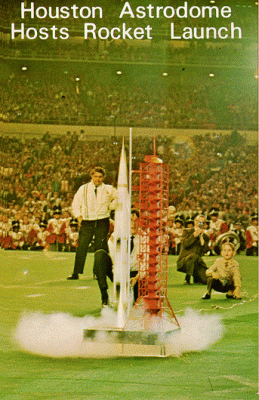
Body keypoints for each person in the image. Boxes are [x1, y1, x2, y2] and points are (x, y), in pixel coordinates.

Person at [67, 167, 117, 280]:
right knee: (82, 246)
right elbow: (75, 204)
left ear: (103, 177)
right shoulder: (83, 189)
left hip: (102, 220)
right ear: (91, 176)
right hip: (87, 221)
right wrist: (78, 216)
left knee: (100, 248)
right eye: (95, 176)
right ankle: (76, 272)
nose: (97, 179)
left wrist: (110, 207)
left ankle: (99, 272)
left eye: (100, 177)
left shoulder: (109, 189)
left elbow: (119, 197)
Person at [177, 214, 209, 285]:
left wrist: (201, 239)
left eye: (202, 222)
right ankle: (187, 278)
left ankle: (196, 277)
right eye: (198, 221)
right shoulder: (187, 231)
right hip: (184, 261)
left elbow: (205, 251)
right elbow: (185, 244)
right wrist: (194, 235)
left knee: (206, 280)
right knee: (193, 256)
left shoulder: (205, 236)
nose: (199, 224)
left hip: (197, 263)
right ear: (194, 221)